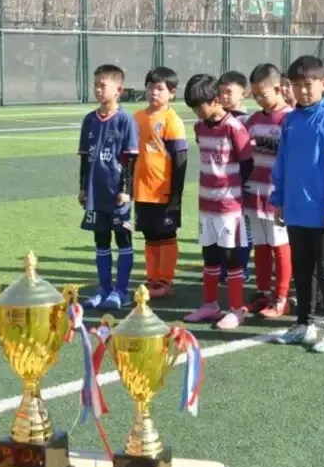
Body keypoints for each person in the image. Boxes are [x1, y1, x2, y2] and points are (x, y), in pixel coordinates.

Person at [270, 56, 324, 353]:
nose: (303, 91)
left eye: (309, 84)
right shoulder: (291, 120)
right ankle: (304, 324)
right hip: (296, 210)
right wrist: (279, 199)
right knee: (303, 270)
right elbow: (282, 162)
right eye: (297, 85)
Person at [183, 73, 255, 329]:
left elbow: (247, 163)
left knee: (232, 257)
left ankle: (236, 309)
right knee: (210, 256)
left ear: (215, 100)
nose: (196, 112)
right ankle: (210, 305)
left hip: (229, 207)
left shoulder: (234, 127)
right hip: (206, 205)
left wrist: (233, 191)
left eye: (198, 107)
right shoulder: (199, 127)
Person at [78, 64, 139, 310]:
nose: (97, 90)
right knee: (101, 240)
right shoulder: (89, 120)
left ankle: (121, 290)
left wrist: (126, 190)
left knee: (122, 238)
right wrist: (83, 187)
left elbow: (131, 158)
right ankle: (103, 288)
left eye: (102, 85)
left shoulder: (125, 120)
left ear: (119, 90)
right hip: (96, 193)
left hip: (117, 194)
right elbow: (85, 157)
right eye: (96, 85)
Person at [132, 67, 187, 299]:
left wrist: (176, 194)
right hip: (142, 190)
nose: (154, 92)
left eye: (160, 88)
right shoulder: (136, 118)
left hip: (163, 191)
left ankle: (165, 279)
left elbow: (180, 159)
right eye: (150, 87)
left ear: (172, 93)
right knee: (150, 235)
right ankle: (152, 277)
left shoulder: (172, 120)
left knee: (166, 235)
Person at [244, 63, 293, 317]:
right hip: (254, 193)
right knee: (261, 245)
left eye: (262, 94)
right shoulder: (253, 120)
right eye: (254, 95)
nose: (258, 99)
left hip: (277, 196)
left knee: (279, 244)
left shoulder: (290, 119)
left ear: (278, 88)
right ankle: (263, 293)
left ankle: (282, 297)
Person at [218, 71, 254, 284]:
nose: (224, 96)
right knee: (223, 227)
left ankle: (240, 269)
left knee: (242, 228)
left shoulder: (245, 121)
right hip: (221, 185)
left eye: (229, 92)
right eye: (221, 92)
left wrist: (245, 181)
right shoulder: (217, 120)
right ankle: (223, 268)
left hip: (241, 185)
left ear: (244, 93)